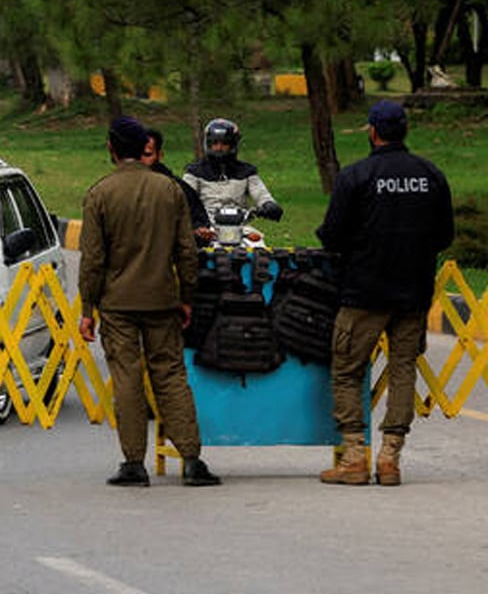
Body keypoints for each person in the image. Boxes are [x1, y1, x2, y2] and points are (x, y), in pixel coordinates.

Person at [316, 100, 454, 486]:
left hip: (363, 293)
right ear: (404, 130)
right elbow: (445, 235)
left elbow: (332, 235)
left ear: (373, 132)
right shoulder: (431, 175)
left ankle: (355, 458)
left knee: (347, 369)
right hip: (412, 293)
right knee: (403, 370)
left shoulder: (356, 175)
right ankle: (391, 459)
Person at [78, 116, 221, 487]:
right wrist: (186, 296)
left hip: (117, 304)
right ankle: (191, 459)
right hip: (162, 300)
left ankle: (133, 463)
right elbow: (186, 251)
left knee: (127, 378)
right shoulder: (168, 190)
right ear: (144, 148)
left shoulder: (100, 193)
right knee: (171, 375)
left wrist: (87, 309)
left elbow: (92, 259)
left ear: (111, 148)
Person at [181, 118, 283, 226]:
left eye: (224, 143)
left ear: (233, 145)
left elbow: (261, 194)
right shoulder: (194, 172)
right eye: (214, 143)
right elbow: (183, 198)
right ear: (208, 144)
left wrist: (269, 205)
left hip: (240, 228)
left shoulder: (247, 172)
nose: (219, 148)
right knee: (191, 243)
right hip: (206, 228)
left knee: (257, 242)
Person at [142, 128, 212, 244]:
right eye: (134, 155)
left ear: (160, 155)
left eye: (147, 155)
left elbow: (198, 222)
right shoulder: (116, 188)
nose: (140, 160)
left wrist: (199, 231)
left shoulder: (178, 189)